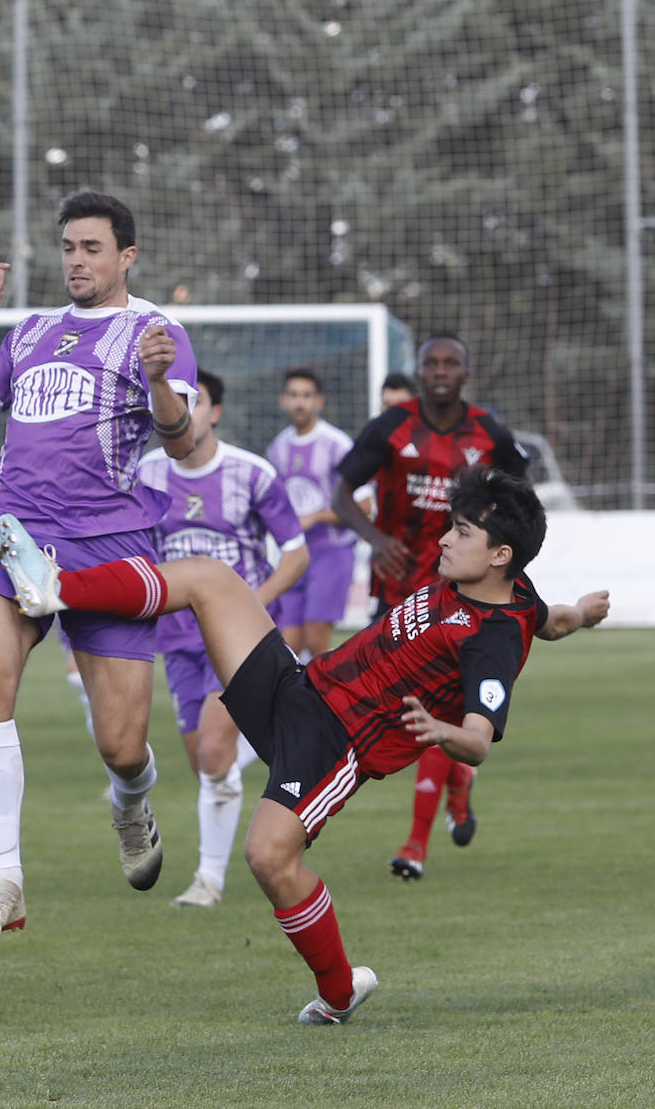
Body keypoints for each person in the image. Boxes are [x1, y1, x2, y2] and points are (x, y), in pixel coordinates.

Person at [0, 465, 609, 1024]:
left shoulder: (493, 639)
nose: (446, 540)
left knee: (268, 858)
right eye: (452, 526)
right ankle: (57, 588)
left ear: (500, 554)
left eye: (464, 533)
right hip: (300, 687)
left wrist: (445, 731)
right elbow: (548, 621)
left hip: (336, 744)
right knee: (210, 578)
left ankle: (339, 992)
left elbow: (478, 742)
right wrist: (580, 612)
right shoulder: (518, 593)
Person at [0, 189, 198, 945]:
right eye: (68, 248)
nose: (75, 261)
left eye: (90, 249)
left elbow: (179, 442)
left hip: (109, 545)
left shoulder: (157, 331)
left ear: (125, 256)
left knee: (120, 743)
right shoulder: (33, 329)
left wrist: (154, 382)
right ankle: (4, 881)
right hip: (14, 535)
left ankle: (130, 799)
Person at [330, 332, 528, 881]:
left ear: (465, 373)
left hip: (465, 604)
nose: (441, 371)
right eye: (431, 363)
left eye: (451, 363)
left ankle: (414, 845)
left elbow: (520, 503)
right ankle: (459, 785)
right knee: (399, 716)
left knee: (439, 714)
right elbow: (340, 492)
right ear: (419, 372)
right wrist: (373, 538)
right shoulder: (391, 427)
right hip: (401, 596)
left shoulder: (490, 432)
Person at [138, 367, 307, 908]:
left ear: (214, 412)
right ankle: (282, 738)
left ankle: (208, 881)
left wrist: (251, 603)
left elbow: (297, 553)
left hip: (237, 635)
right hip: (176, 635)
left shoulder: (252, 473)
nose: (183, 410)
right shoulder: (145, 475)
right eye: (173, 401)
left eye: (196, 400)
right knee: (206, 760)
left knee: (214, 751)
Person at [265, 367, 369, 664]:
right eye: (294, 395)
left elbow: (364, 504)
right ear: (283, 400)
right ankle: (291, 706)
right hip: (294, 553)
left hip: (332, 551)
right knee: (287, 643)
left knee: (316, 638)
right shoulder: (278, 447)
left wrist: (315, 518)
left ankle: (328, 705)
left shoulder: (337, 445)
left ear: (319, 401)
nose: (300, 403)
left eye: (307, 396)